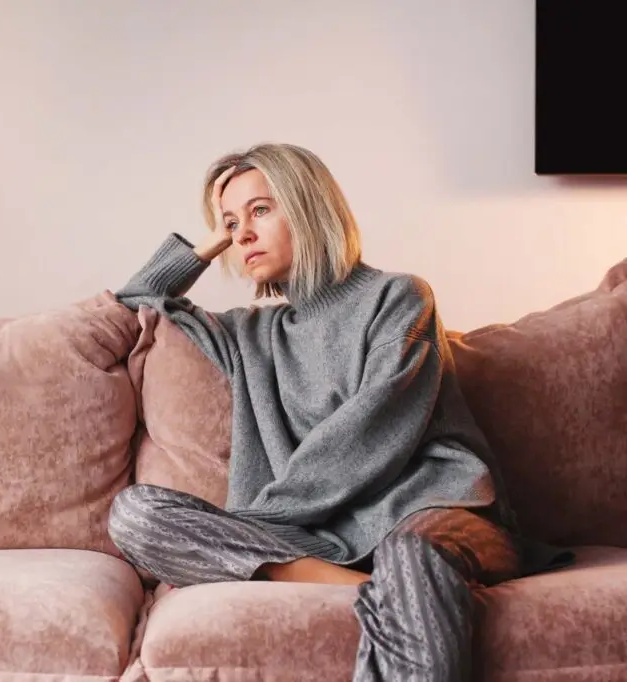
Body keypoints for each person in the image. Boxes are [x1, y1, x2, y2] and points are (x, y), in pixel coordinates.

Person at [107, 143, 571, 681]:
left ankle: (387, 583)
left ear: (308, 208)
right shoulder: (250, 335)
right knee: (134, 515)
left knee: (409, 556)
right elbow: (137, 297)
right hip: (319, 539)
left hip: (429, 514)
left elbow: (373, 429)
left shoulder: (398, 298)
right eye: (231, 223)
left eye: (260, 210)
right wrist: (209, 241)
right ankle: (361, 589)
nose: (242, 236)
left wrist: (259, 519)